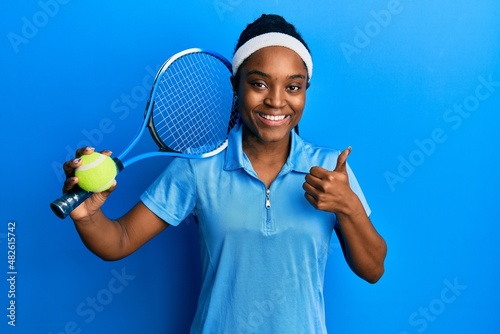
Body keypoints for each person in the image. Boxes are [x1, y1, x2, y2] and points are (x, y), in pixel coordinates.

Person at [62, 14, 387, 334]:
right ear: (236, 84)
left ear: (305, 91)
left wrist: (349, 206)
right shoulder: (197, 167)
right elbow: (119, 241)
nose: (276, 101)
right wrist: (87, 216)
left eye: (293, 86)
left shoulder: (331, 170)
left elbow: (373, 269)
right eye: (259, 83)